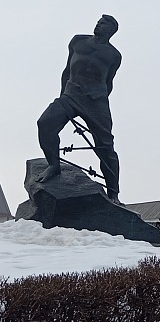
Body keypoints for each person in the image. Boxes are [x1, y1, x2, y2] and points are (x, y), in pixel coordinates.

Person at [36, 15, 123, 204]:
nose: (98, 24)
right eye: (98, 21)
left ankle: (113, 193)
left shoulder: (114, 55)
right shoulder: (78, 41)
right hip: (71, 94)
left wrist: (98, 101)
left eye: (104, 23)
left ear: (111, 30)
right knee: (45, 123)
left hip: (96, 101)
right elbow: (67, 70)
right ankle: (53, 165)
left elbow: (109, 82)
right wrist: (62, 95)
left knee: (106, 147)